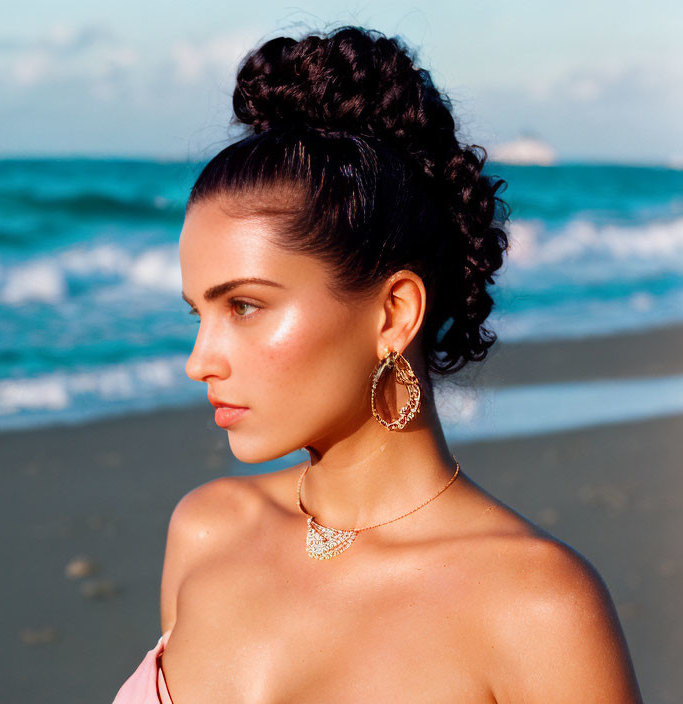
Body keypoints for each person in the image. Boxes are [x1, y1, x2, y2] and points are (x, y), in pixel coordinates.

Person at [113, 25, 643, 703]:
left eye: (243, 306)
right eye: (198, 314)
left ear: (393, 313)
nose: (199, 362)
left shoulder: (535, 606)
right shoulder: (207, 533)